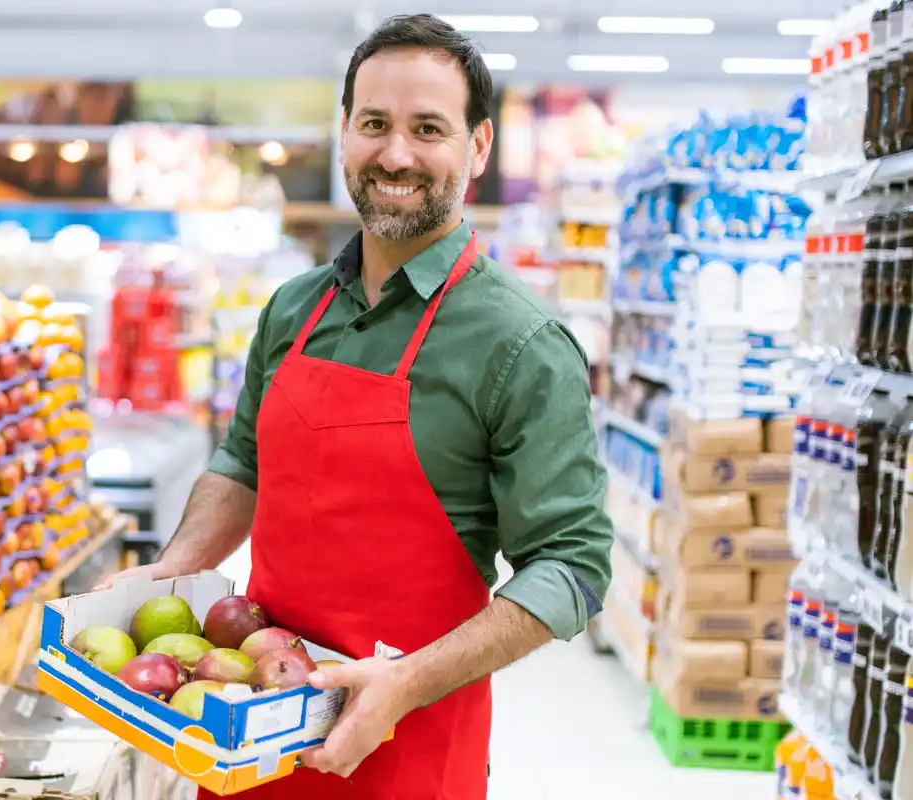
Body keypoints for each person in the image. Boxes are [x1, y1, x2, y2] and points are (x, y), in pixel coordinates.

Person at [102, 13, 614, 799]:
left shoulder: (522, 344)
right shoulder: (293, 308)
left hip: (409, 745)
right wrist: (173, 572)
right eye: (374, 124)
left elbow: (571, 564)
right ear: (344, 132)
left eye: (428, 129)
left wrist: (407, 682)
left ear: (478, 146)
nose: (395, 154)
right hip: (250, 731)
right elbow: (243, 462)